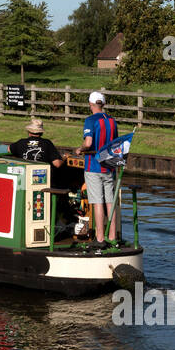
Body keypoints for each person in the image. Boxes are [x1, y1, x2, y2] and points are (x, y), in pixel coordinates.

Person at [78, 92, 120, 245]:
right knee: (110, 202)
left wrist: (79, 149)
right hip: (109, 166)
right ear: (103, 104)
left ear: (90, 104)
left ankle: (100, 238)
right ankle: (113, 237)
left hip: (93, 166)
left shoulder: (90, 120)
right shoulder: (112, 121)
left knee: (97, 202)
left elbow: (88, 143)